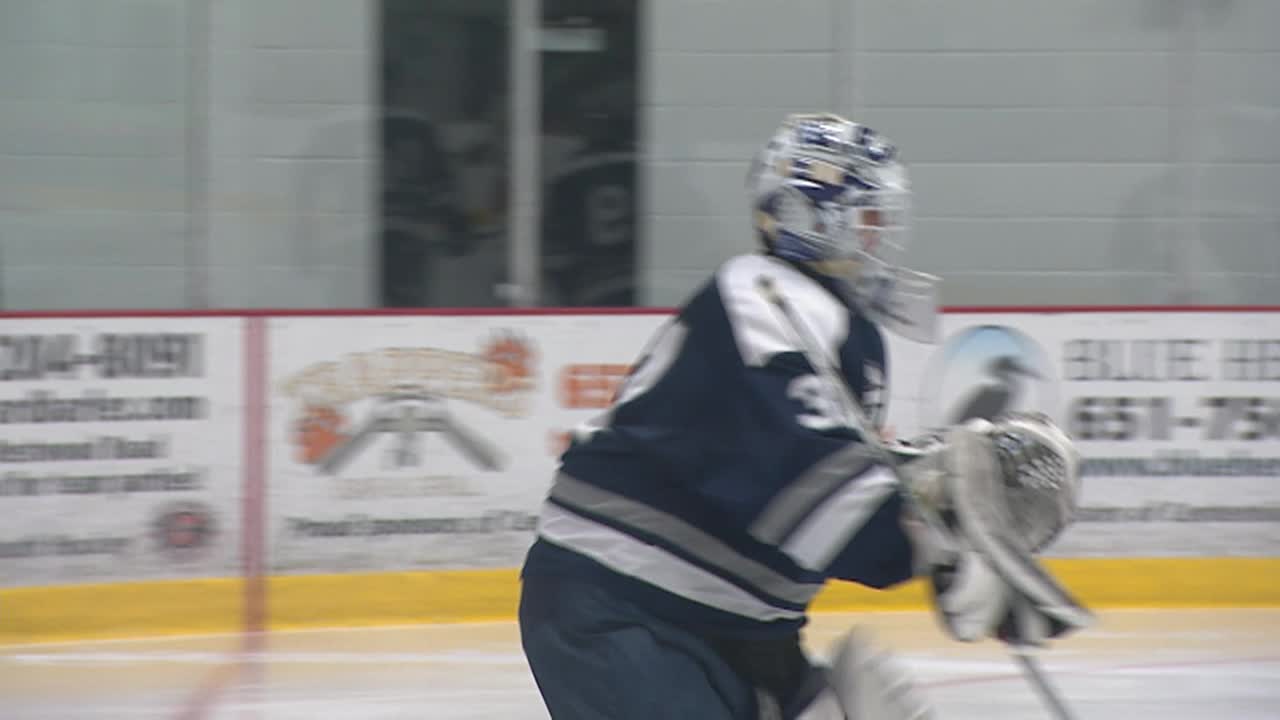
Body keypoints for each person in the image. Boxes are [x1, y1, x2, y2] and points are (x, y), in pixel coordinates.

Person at [518, 113, 1090, 719]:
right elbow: (808, 472)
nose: (879, 237)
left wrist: (938, 500)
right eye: (867, 218)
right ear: (806, 215)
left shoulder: (842, 328)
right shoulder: (763, 290)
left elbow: (802, 481)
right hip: (622, 604)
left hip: (735, 627)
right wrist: (927, 540)